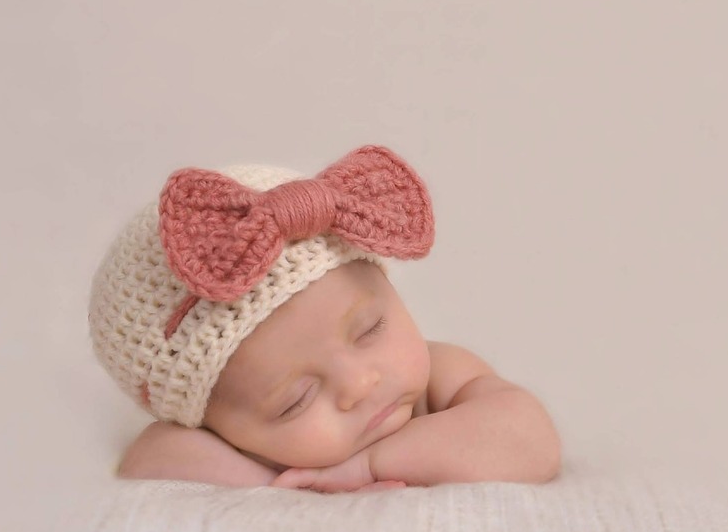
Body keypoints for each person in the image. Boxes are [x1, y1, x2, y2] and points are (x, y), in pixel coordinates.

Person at [88, 145, 562, 493]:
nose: (358, 384)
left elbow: (530, 440)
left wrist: (369, 466)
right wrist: (269, 487)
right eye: (296, 399)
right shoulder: (245, 451)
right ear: (214, 428)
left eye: (370, 330)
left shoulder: (443, 377)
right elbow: (151, 456)